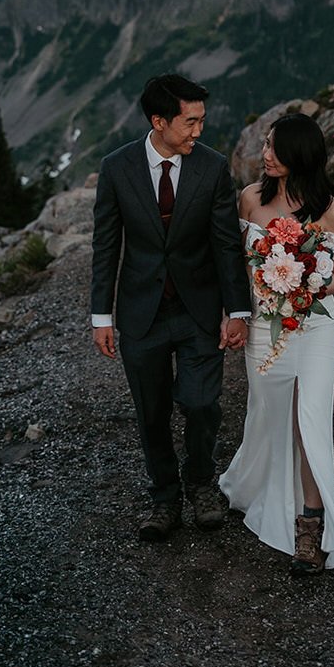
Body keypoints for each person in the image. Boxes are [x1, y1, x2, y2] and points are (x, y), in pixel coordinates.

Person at [91, 73, 252, 541]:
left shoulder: (212, 167)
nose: (198, 132)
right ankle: (164, 498)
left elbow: (226, 244)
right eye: (190, 122)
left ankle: (200, 482)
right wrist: (101, 316)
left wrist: (237, 311)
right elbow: (106, 246)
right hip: (141, 313)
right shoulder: (116, 167)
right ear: (158, 121)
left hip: (199, 308)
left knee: (202, 404)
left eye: (202, 121)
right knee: (151, 410)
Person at [219, 112, 334, 574]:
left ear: (301, 156)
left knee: (309, 419)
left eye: (275, 147)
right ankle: (255, 486)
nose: (266, 153)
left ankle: (311, 528)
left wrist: (306, 283)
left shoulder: (330, 211)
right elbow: (236, 266)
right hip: (263, 327)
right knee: (267, 415)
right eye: (267, 145)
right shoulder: (250, 200)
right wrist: (234, 314)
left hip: (317, 327)